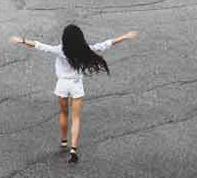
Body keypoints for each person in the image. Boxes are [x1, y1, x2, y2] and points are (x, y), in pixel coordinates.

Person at [10, 25, 139, 164]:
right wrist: (125, 36)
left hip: (62, 85)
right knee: (76, 118)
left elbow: (39, 45)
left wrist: (22, 40)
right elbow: (106, 44)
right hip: (76, 85)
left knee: (64, 114)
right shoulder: (85, 49)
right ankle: (73, 150)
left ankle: (64, 140)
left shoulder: (60, 50)